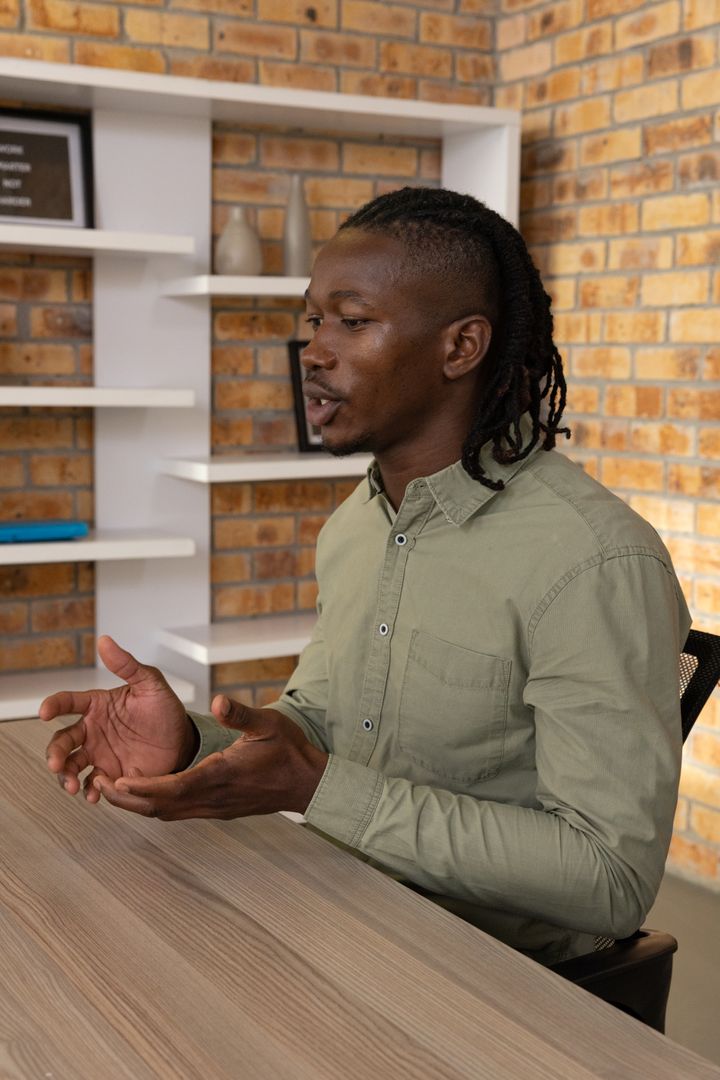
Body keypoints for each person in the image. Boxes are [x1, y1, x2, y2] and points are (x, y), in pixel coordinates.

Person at [41, 187, 691, 966]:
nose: (314, 350)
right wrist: (190, 738)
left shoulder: (593, 560)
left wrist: (317, 789)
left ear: (461, 347)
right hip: (347, 916)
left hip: (503, 981)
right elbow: (323, 724)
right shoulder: (358, 523)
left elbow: (609, 879)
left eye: (353, 321)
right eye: (313, 320)